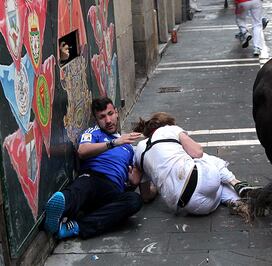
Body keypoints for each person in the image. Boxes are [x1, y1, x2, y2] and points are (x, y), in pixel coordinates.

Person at [43, 97, 143, 239]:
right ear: (96, 120)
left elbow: (133, 177)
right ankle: (59, 209)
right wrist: (113, 143)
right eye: (102, 117)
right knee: (81, 188)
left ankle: (76, 227)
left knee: (134, 200)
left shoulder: (129, 147)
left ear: (116, 112)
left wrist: (134, 181)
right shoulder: (93, 132)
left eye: (110, 114)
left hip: (112, 190)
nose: (108, 121)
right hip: (92, 178)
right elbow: (82, 151)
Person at [132, 112, 258, 218]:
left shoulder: (139, 151)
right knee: (206, 158)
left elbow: (146, 196)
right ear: (167, 124)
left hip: (193, 206)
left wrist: (156, 188)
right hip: (204, 180)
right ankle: (236, 182)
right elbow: (197, 152)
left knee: (217, 188)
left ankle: (234, 201)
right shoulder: (169, 129)